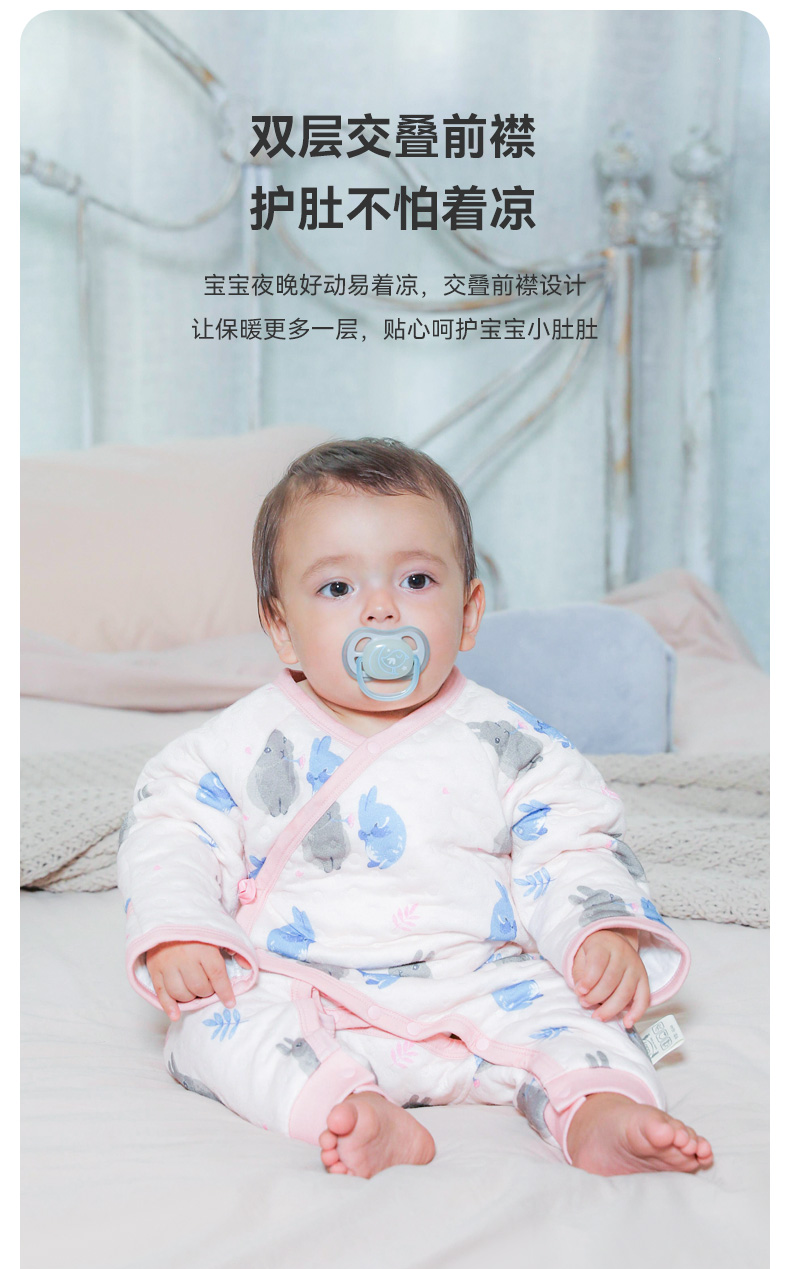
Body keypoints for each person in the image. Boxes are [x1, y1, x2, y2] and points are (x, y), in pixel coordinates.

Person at [117, 437, 714, 1179]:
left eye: (417, 579)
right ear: (282, 628)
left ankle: (597, 1112)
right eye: (337, 588)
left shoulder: (508, 740)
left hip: (482, 981)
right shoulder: (236, 742)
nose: (381, 608)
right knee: (211, 1027)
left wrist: (597, 930)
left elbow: (571, 840)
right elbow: (171, 827)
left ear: (468, 613)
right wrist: (181, 929)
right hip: (304, 983)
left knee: (584, 1022)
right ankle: (352, 1108)